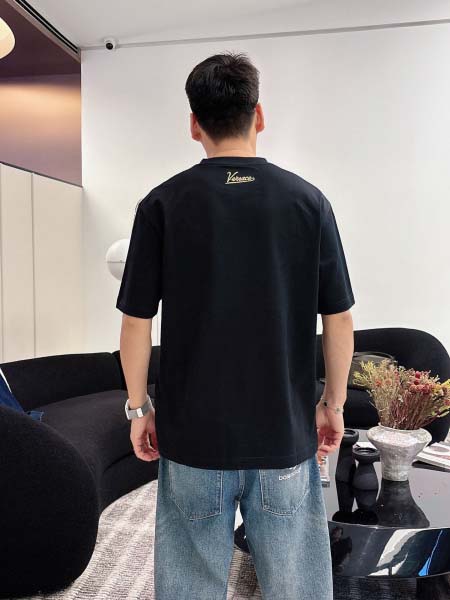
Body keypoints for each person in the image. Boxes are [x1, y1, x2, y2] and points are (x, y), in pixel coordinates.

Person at [116, 51, 355, 600]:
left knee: (189, 585)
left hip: (193, 439)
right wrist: (333, 404)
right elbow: (338, 317)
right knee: (297, 587)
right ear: (259, 116)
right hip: (283, 435)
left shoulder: (161, 205)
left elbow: (136, 322)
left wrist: (138, 408)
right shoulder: (308, 202)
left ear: (193, 124)